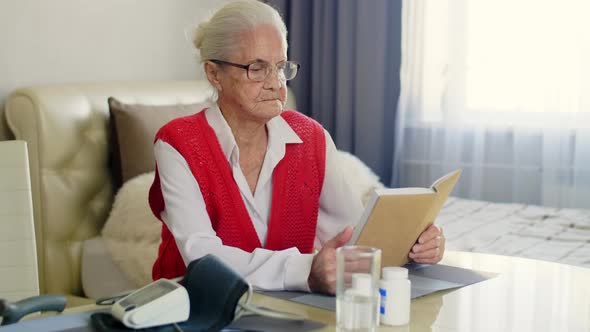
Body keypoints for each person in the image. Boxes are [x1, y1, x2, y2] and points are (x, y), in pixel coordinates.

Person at [148, 0, 445, 295]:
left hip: (289, 313)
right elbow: (202, 258)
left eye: (281, 67)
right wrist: (307, 271)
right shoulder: (178, 143)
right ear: (214, 74)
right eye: (257, 68)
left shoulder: (310, 137)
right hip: (194, 310)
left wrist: (415, 244)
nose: (276, 84)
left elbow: (354, 236)